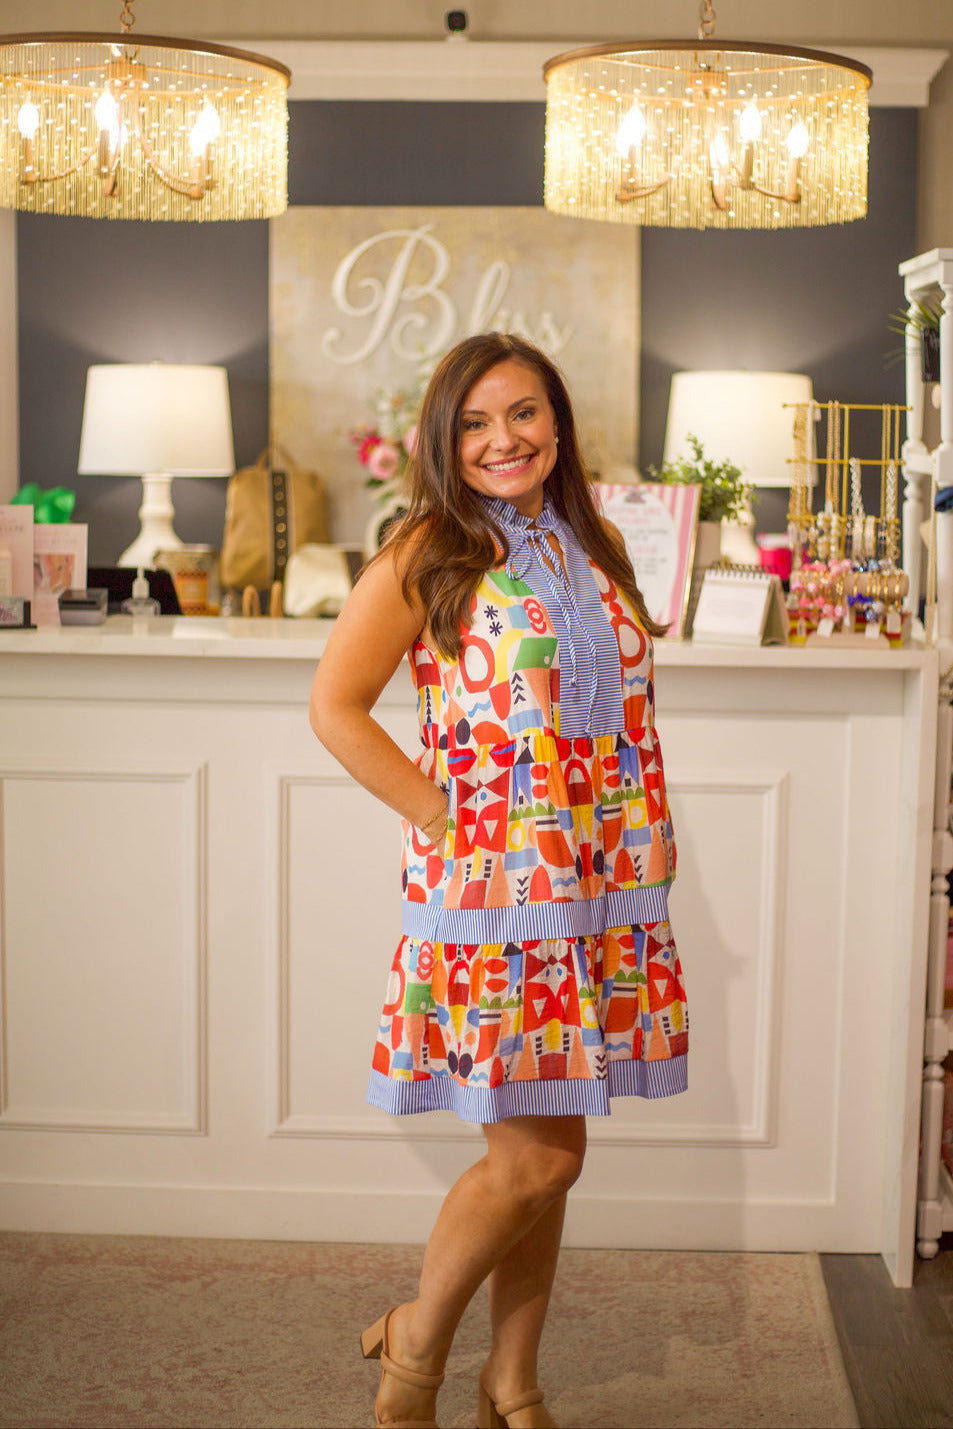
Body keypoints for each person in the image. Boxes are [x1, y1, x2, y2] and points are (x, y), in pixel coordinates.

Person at [309, 333, 689, 1429]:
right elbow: (334, 705)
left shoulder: (592, 537)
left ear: (555, 421)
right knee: (535, 1158)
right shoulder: (426, 549)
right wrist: (442, 814)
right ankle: (415, 1346)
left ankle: (511, 1381)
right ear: (443, 438)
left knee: (554, 1148)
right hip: (495, 889)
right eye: (473, 423)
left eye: (521, 413)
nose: (501, 440)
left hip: (598, 876)